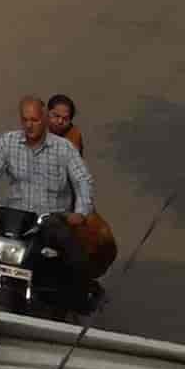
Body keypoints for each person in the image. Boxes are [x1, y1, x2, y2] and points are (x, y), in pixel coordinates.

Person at [0, 96, 95, 292]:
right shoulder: (7, 142)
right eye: (25, 120)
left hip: (51, 220)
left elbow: (82, 180)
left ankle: (79, 297)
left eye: (34, 120)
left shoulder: (64, 148)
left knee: (75, 258)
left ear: (44, 119)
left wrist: (80, 211)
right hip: (16, 218)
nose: (29, 125)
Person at [46, 94, 119, 279]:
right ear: (47, 113)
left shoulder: (72, 136)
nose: (60, 121)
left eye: (65, 118)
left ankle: (81, 283)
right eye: (56, 116)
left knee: (99, 239)